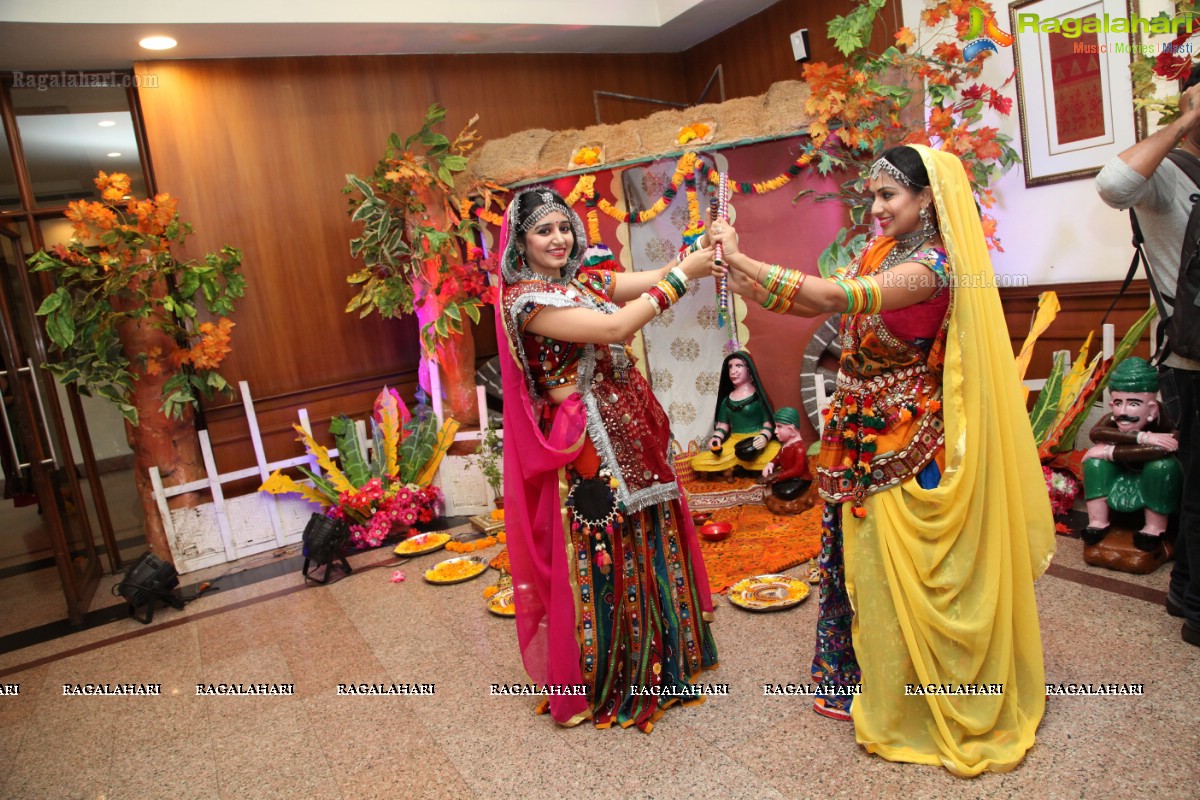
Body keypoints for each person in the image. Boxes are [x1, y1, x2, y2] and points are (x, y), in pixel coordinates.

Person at [710, 144, 1055, 775]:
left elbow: (843, 297)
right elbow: (819, 304)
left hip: (903, 433)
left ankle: (929, 694)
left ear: (928, 199)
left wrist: (744, 258)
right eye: (872, 195)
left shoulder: (930, 267)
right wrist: (746, 282)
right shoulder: (884, 251)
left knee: (909, 566)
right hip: (861, 427)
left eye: (888, 195)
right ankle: (877, 677)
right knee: (861, 559)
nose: (875, 208)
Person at [494, 187, 719, 731]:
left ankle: (664, 660)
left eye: (564, 228)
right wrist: (685, 274)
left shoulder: (580, 281)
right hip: (588, 442)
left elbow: (642, 281)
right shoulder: (527, 302)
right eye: (543, 230)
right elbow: (618, 327)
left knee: (647, 529)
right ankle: (614, 677)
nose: (558, 239)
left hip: (630, 429)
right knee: (606, 544)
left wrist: (700, 252)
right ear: (520, 242)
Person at [1095, 70, 1200, 648]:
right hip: (1190, 363)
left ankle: (1186, 588)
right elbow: (1112, 184)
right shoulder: (1168, 174)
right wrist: (1185, 120)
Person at [1081, 357, 1181, 551]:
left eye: (1134, 404)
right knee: (1094, 462)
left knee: (1162, 465)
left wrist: (1108, 451)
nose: (1123, 411)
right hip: (1122, 473)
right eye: (1118, 403)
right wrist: (1142, 437)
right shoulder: (1115, 417)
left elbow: (1161, 449)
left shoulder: (1169, 417)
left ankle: (1155, 528)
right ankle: (1097, 522)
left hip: (1154, 479)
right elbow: (1096, 433)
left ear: (1151, 408)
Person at [690, 350, 780, 477]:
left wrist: (764, 437)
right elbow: (722, 426)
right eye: (730, 366)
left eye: (739, 366)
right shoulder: (727, 400)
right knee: (698, 462)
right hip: (734, 443)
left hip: (756, 440)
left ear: (750, 370)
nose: (733, 371)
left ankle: (738, 467)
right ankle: (737, 466)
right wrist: (716, 438)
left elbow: (768, 423)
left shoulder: (758, 397)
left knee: (776, 453)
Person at [761, 405, 815, 515]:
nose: (775, 431)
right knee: (776, 488)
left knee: (786, 492)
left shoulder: (799, 448)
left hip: (800, 479)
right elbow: (778, 457)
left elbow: (798, 470)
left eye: (779, 427)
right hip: (787, 477)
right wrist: (771, 464)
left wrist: (779, 476)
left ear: (791, 429)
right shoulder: (785, 444)